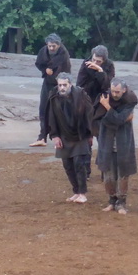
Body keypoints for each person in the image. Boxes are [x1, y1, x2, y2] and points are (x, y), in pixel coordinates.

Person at [44, 72, 94, 203]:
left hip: (80, 134)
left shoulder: (81, 95)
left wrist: (90, 134)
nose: (62, 88)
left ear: (70, 84)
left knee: (79, 164)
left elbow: (89, 115)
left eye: (64, 85)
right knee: (68, 165)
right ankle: (76, 191)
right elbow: (50, 116)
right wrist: (54, 135)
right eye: (59, 85)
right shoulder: (53, 96)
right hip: (63, 135)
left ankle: (83, 193)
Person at [93, 78, 137, 214]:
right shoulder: (104, 97)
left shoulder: (130, 101)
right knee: (108, 176)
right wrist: (119, 119)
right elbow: (101, 119)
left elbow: (116, 119)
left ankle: (121, 203)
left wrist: (108, 108)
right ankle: (112, 201)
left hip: (123, 142)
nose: (114, 94)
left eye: (117, 92)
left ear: (124, 90)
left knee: (123, 175)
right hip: (107, 142)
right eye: (113, 91)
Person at [30, 33, 71, 146]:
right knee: (43, 109)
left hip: (60, 85)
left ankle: (62, 137)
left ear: (58, 45)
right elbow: (38, 63)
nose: (52, 48)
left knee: (60, 110)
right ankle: (42, 137)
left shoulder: (64, 54)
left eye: (54, 46)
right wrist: (45, 70)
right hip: (47, 82)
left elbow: (67, 72)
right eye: (50, 46)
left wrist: (61, 84)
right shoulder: (43, 51)